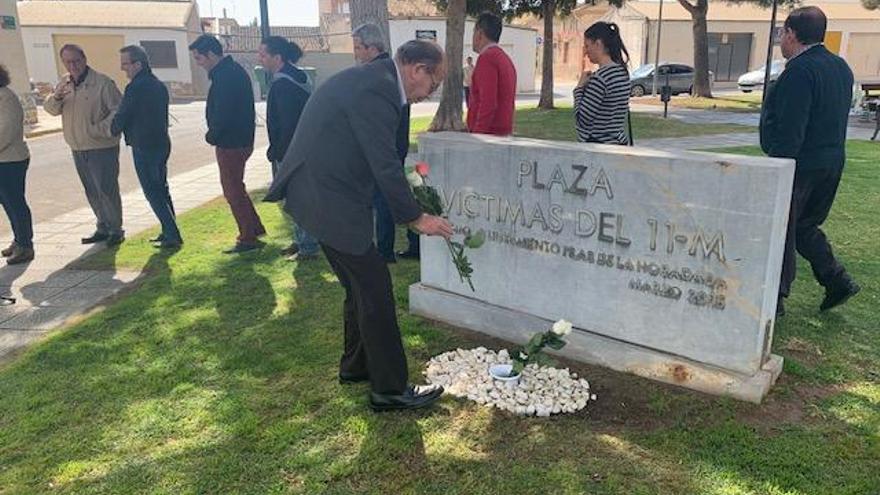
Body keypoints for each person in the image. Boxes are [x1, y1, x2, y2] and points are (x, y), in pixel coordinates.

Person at [265, 40, 454, 412]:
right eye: (433, 85)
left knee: (360, 287)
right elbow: (384, 163)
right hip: (326, 198)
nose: (429, 94)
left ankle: (356, 366)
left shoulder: (376, 80)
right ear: (417, 69)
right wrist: (416, 218)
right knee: (376, 288)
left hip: (325, 194)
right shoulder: (378, 88)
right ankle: (389, 389)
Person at [760, 6, 860, 316]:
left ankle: (774, 299)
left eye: (782, 34)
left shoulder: (799, 71)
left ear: (791, 33)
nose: (780, 40)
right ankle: (837, 280)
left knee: (782, 229)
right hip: (831, 162)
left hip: (800, 166)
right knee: (804, 227)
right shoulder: (840, 67)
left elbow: (792, 129)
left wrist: (778, 164)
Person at [189, 34, 265, 254]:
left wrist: (212, 135)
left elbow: (224, 112)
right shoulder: (229, 72)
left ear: (211, 54)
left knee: (232, 191)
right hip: (236, 140)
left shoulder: (227, 76)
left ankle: (248, 238)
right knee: (236, 188)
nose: (198, 63)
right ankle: (253, 229)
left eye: (199, 58)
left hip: (232, 142)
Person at [44, 44, 124, 246]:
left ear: (84, 58)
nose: (73, 65)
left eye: (76, 60)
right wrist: (56, 97)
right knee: (92, 190)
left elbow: (118, 111)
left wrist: (98, 129)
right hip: (78, 147)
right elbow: (52, 110)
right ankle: (103, 226)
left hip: (101, 147)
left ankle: (116, 229)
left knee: (106, 189)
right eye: (68, 62)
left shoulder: (102, 83)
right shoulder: (64, 83)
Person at [352, 23, 416, 262]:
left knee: (385, 200)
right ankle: (413, 244)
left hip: (385, 148)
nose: (356, 53)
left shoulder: (380, 73)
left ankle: (385, 251)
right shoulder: (389, 70)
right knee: (395, 195)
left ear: (372, 47)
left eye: (358, 47)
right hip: (391, 146)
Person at [111, 45, 182, 249]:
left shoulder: (136, 87)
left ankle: (171, 233)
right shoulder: (157, 85)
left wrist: (112, 128)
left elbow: (123, 114)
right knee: (161, 188)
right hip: (160, 142)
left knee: (153, 191)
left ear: (138, 64)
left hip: (145, 145)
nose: (123, 68)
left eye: (126, 64)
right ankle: (169, 229)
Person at [258, 36, 320, 261]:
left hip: (292, 152)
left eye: (264, 54)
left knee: (297, 199)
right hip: (301, 149)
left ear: (278, 57)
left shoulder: (284, 84)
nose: (260, 58)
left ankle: (308, 246)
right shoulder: (297, 76)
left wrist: (277, 151)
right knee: (297, 198)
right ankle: (301, 240)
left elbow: (286, 124)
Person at [574, 22, 631, 145]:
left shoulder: (600, 78)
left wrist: (579, 88)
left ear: (598, 44)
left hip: (597, 148)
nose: (585, 52)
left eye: (587, 46)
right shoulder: (623, 73)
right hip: (618, 144)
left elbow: (582, 119)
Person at [0, 65, 34, 265]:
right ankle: (18, 239)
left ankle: (25, 245)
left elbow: (7, 130)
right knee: (7, 203)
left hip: (11, 160)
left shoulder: (6, 97)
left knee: (15, 202)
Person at [468, 12, 517, 136]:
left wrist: (477, 135)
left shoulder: (487, 58)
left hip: (489, 134)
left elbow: (488, 102)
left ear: (479, 33)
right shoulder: (504, 58)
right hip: (502, 132)